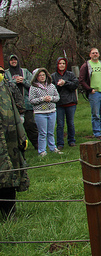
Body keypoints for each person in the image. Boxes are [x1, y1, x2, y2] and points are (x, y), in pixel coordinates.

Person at [0, 66, 29, 218]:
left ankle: (9, 213)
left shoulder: (5, 85)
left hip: (9, 140)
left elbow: (16, 111)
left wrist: (21, 136)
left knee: (9, 178)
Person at [5, 55, 38, 152]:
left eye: (15, 59)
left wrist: (23, 81)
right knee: (15, 128)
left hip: (26, 104)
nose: (13, 61)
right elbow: (5, 86)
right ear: (9, 62)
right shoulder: (6, 73)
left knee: (30, 125)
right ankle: (17, 148)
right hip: (13, 106)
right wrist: (14, 81)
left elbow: (33, 85)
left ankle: (38, 146)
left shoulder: (25, 72)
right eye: (11, 60)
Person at [79, 48, 101, 140]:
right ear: (90, 55)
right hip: (94, 93)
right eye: (93, 53)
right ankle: (97, 133)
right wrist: (89, 89)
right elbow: (81, 80)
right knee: (96, 114)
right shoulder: (86, 65)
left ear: (99, 54)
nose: (95, 54)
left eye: (96, 53)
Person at [28, 68, 61, 156]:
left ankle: (53, 148)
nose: (42, 77)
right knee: (42, 133)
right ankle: (42, 151)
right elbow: (31, 100)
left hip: (52, 111)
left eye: (43, 75)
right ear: (36, 77)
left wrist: (51, 98)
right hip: (40, 113)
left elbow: (57, 97)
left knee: (51, 132)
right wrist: (42, 99)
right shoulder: (33, 87)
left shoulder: (51, 86)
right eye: (40, 75)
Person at [52, 57, 79, 150]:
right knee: (60, 124)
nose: (62, 65)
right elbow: (52, 89)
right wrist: (59, 85)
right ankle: (60, 143)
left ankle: (72, 140)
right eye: (60, 63)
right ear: (57, 65)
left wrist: (65, 83)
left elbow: (75, 85)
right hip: (59, 104)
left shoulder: (70, 75)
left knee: (70, 123)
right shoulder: (53, 76)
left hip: (70, 103)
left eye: (63, 63)